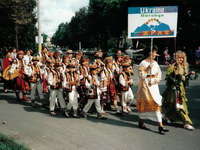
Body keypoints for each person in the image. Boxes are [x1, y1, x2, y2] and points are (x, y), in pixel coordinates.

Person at [136, 45, 169, 134]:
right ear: (150, 53)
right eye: (154, 52)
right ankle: (142, 122)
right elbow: (141, 76)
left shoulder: (155, 63)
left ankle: (160, 126)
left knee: (156, 104)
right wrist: (147, 69)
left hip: (153, 85)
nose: (155, 54)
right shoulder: (143, 63)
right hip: (145, 85)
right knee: (146, 105)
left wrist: (154, 81)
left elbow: (159, 74)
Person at [162, 50, 195, 130]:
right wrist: (175, 76)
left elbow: (184, 78)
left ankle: (167, 116)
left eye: (182, 58)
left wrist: (189, 74)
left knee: (175, 106)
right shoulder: (173, 67)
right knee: (179, 107)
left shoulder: (184, 66)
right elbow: (168, 78)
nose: (180, 59)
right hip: (175, 90)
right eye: (179, 58)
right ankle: (185, 123)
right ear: (175, 58)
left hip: (182, 89)